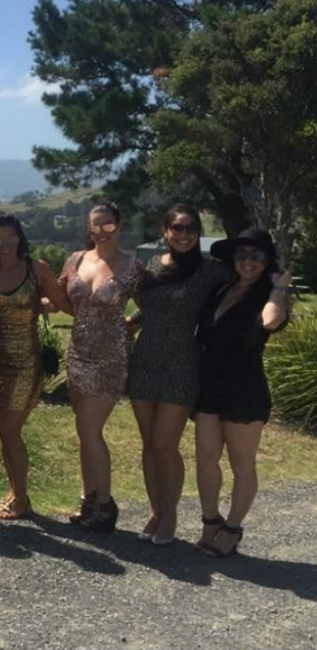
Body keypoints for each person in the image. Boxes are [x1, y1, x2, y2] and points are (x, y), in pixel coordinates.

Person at [127, 204, 233, 544]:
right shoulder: (153, 265)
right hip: (145, 360)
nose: (184, 234)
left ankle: (170, 514)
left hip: (182, 364)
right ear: (165, 231)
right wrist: (132, 322)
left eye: (191, 228)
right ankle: (155, 511)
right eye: (178, 228)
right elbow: (153, 307)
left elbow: (246, 281)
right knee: (148, 444)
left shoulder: (210, 270)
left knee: (165, 444)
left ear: (198, 233)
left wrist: (277, 286)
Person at [194, 228, 291, 557]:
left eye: (256, 255)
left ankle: (233, 528)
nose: (248, 261)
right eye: (242, 255)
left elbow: (270, 322)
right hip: (210, 384)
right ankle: (210, 521)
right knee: (206, 457)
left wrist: (279, 287)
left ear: (267, 261)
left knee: (242, 462)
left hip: (244, 388)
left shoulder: (269, 295)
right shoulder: (222, 289)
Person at [0, 213, 64, 519]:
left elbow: (63, 301)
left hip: (26, 363)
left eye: (10, 237)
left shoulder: (37, 269)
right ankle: (14, 492)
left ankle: (21, 499)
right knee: (4, 433)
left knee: (10, 431)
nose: (4, 244)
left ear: (20, 238)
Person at [57, 201, 143, 532]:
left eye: (108, 225)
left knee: (91, 429)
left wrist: (130, 323)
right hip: (78, 354)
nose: (101, 231)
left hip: (110, 358)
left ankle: (106, 506)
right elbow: (61, 299)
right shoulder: (75, 260)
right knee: (84, 431)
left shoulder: (132, 267)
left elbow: (151, 306)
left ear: (119, 226)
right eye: (95, 226)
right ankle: (89, 499)